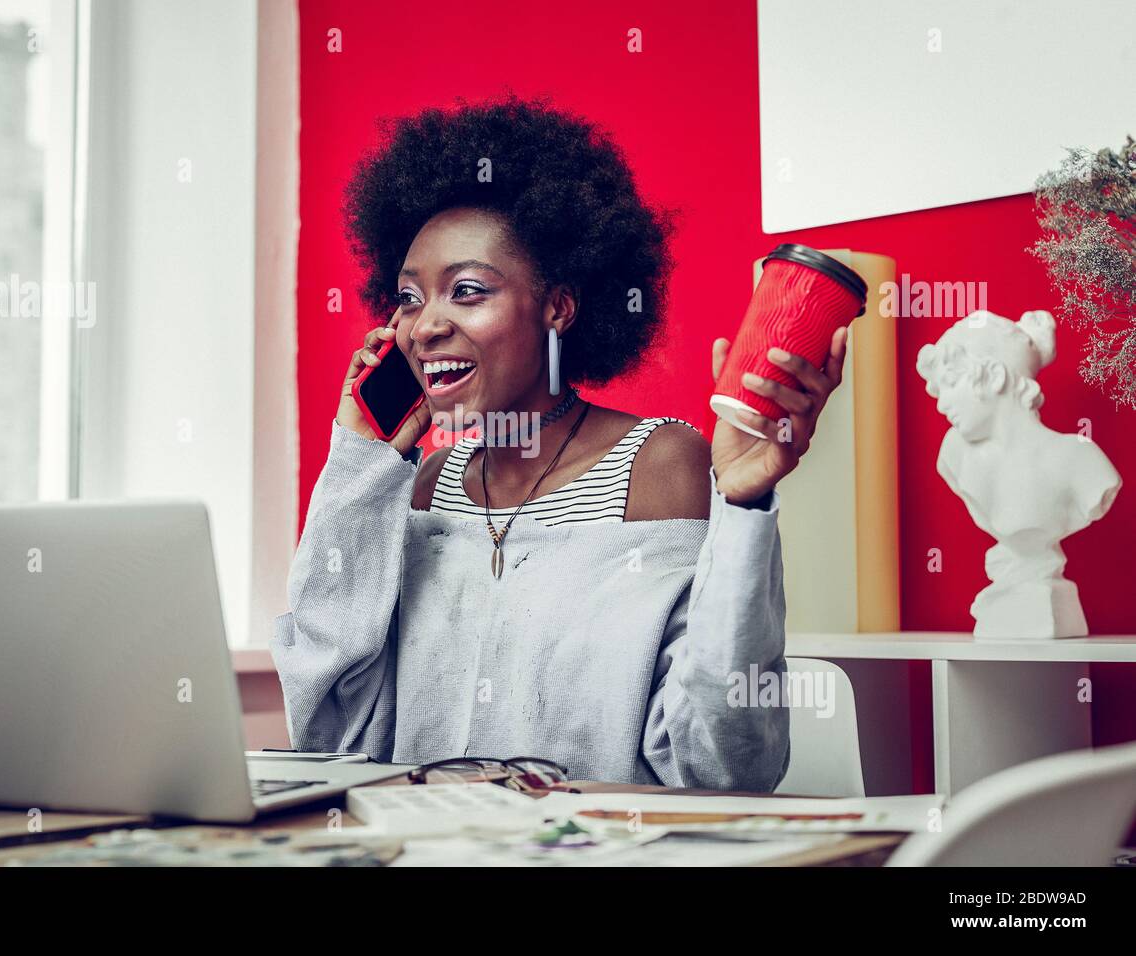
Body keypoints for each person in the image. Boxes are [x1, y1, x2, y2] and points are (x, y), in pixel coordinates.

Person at [270, 97, 848, 788]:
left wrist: (747, 507)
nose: (424, 328)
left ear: (558, 308)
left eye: (467, 291)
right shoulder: (422, 486)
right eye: (409, 298)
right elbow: (329, 733)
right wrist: (358, 466)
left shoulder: (661, 466)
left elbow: (721, 766)